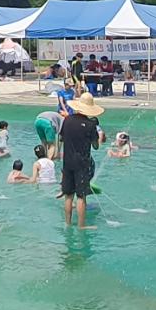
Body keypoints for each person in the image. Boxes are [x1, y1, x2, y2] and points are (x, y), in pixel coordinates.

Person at [59, 92, 102, 229]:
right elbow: (96, 146)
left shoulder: (67, 120)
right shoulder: (90, 125)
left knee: (68, 195)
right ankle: (81, 225)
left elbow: (61, 138)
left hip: (67, 162)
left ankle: (67, 223)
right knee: (81, 196)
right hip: (82, 163)